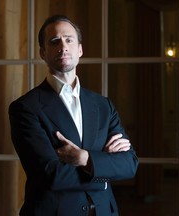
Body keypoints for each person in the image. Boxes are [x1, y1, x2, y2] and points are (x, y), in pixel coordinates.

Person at [8, 14, 138, 216]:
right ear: (43, 53)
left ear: (80, 49)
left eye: (69, 39)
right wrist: (103, 171)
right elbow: (50, 174)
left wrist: (85, 158)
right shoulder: (25, 108)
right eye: (54, 41)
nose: (63, 46)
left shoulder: (104, 106)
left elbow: (129, 163)